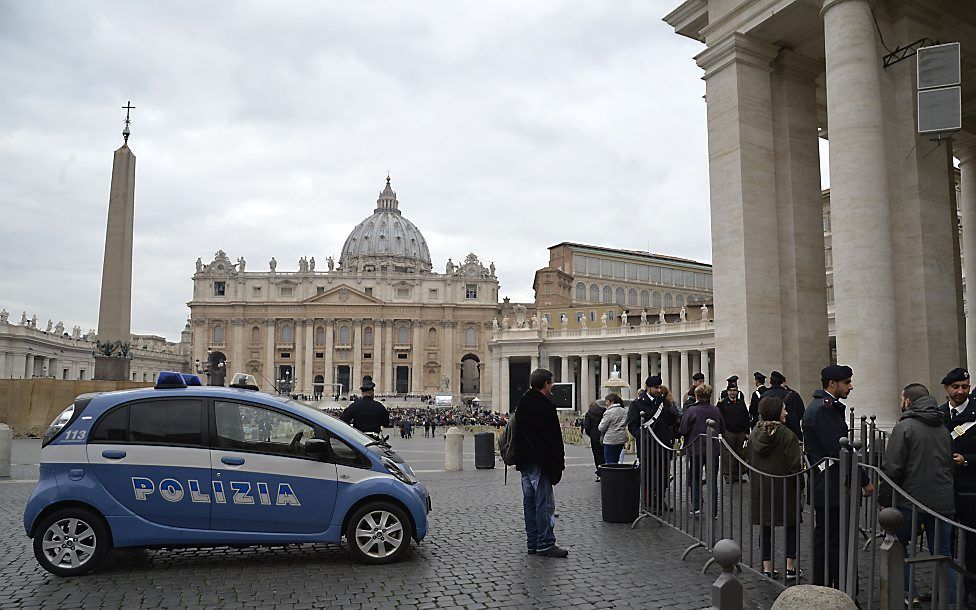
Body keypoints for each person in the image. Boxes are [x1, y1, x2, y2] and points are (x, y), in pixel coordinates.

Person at [879, 383, 956, 605]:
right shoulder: (943, 428)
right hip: (942, 501)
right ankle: (950, 603)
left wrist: (884, 500)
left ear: (908, 401)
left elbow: (892, 468)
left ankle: (906, 595)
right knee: (943, 553)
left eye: (901, 399)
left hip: (910, 501)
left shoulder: (905, 427)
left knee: (898, 547)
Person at [802, 364, 873, 589]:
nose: (851, 387)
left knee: (829, 539)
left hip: (829, 483)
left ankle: (829, 587)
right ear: (832, 384)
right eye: (847, 382)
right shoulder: (823, 409)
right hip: (832, 484)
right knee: (834, 541)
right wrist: (864, 480)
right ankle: (837, 590)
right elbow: (840, 450)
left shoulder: (824, 407)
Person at [748, 395, 803, 580]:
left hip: (761, 488)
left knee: (765, 527)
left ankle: (767, 566)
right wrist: (801, 485)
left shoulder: (755, 433)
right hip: (785, 487)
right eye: (783, 409)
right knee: (791, 525)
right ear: (775, 411)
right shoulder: (787, 435)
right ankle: (790, 566)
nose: (786, 412)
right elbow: (796, 465)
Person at [514, 368, 567, 558]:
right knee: (544, 504)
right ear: (546, 384)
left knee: (529, 502)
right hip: (540, 462)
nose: (552, 386)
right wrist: (555, 465)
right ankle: (545, 543)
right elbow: (551, 439)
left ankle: (533, 542)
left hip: (525, 462)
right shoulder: (544, 405)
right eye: (551, 383)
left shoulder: (523, 402)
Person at [941, 367, 976, 605]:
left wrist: (967, 460)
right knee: (948, 542)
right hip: (945, 489)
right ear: (946, 389)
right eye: (956, 387)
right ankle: (952, 592)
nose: (961, 391)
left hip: (972, 489)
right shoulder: (939, 414)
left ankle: (972, 590)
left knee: (973, 546)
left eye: (965, 387)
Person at [629, 376, 680, 514]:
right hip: (647, 447)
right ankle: (651, 502)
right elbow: (632, 425)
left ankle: (660, 499)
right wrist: (642, 436)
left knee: (664, 476)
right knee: (650, 476)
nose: (659, 390)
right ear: (648, 388)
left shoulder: (663, 402)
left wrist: (670, 409)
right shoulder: (637, 404)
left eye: (659, 387)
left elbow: (671, 422)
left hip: (662, 444)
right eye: (656, 388)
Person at [679, 384, 725, 515]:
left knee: (695, 478)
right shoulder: (716, 410)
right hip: (713, 449)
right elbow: (723, 428)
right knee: (712, 480)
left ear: (697, 396)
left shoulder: (691, 411)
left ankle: (697, 506)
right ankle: (713, 510)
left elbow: (682, 430)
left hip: (696, 449)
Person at [718, 376, 750, 483]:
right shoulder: (722, 404)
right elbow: (719, 418)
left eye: (734, 390)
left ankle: (737, 475)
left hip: (740, 432)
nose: (732, 393)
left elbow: (746, 417)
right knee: (727, 456)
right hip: (728, 432)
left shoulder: (741, 403)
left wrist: (747, 432)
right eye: (730, 391)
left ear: (737, 391)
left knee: (739, 455)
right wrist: (721, 431)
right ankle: (728, 476)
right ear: (727, 392)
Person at [762, 371, 805, 441]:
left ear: (770, 381)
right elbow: (801, 413)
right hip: (789, 435)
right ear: (782, 382)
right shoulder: (793, 395)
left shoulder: (763, 396)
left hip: (767, 436)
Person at [598, 394, 628, 464]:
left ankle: (611, 474)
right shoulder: (624, 411)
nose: (605, 403)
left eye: (607, 401)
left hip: (610, 439)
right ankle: (617, 473)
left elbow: (601, 428)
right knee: (616, 459)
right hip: (621, 438)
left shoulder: (609, 412)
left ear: (611, 402)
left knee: (609, 461)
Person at [581, 400, 607, 482]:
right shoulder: (604, 411)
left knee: (597, 456)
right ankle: (607, 472)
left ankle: (600, 474)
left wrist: (591, 435)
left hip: (594, 438)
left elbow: (587, 426)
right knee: (605, 455)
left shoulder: (589, 413)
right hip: (604, 436)